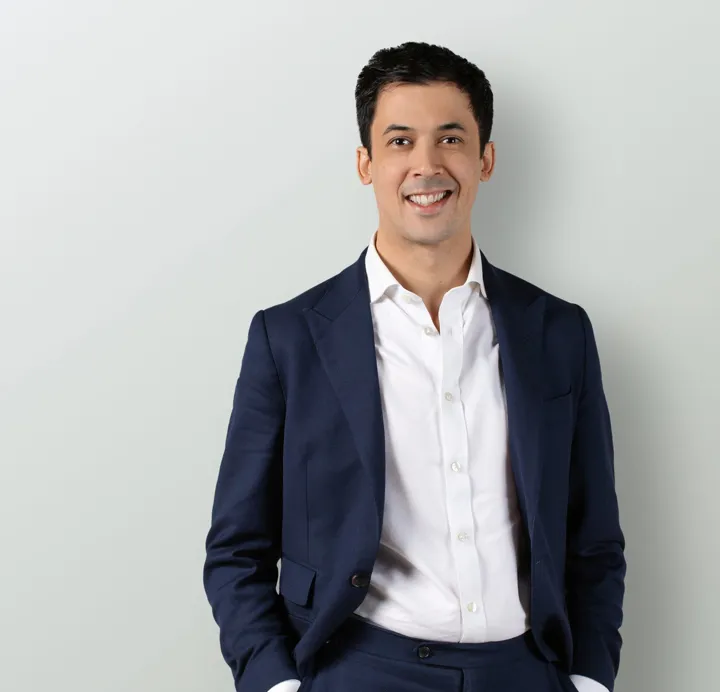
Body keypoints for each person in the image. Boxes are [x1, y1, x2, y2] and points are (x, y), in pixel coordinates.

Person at [203, 41, 626, 692]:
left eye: (450, 139)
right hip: (360, 669)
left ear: (485, 159)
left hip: (525, 672)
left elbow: (593, 539)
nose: (427, 165)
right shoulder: (288, 339)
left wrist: (590, 680)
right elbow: (237, 548)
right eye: (400, 141)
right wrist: (277, 685)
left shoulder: (559, 331)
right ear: (365, 164)